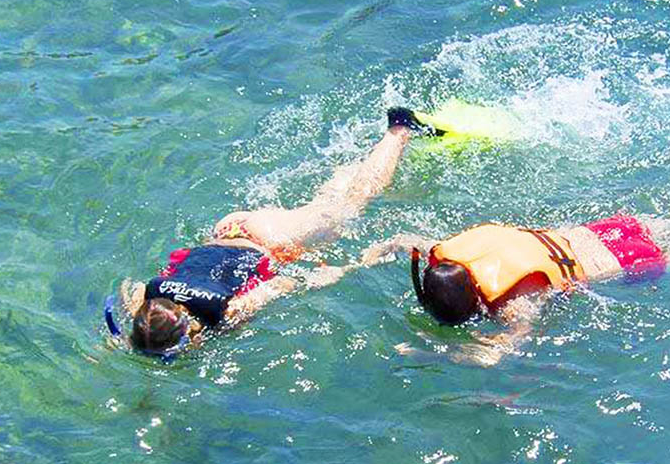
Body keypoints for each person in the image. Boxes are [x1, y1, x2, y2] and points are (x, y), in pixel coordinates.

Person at [113, 108, 437, 356]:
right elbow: (131, 292)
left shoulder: (227, 312)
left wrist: (327, 275)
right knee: (327, 204)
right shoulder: (147, 299)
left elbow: (282, 283)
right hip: (231, 229)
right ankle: (361, 157)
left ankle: (400, 129)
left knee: (355, 203)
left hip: (270, 239)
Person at [358, 190, 670, 365]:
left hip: (620, 265)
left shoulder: (513, 302)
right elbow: (403, 240)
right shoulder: (454, 252)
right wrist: (375, 252)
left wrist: (430, 353)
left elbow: (497, 353)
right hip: (601, 233)